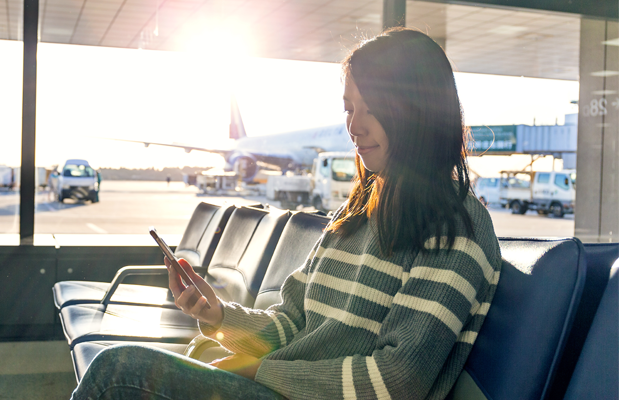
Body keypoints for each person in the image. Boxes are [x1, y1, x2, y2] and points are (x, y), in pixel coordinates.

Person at [70, 27, 502, 400]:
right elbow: (292, 324)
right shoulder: (352, 217)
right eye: (349, 108)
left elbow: (396, 382)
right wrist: (218, 314)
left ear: (418, 111)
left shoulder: (456, 227)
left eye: (373, 108)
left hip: (284, 389)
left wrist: (257, 372)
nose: (355, 127)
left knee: (117, 373)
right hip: (278, 385)